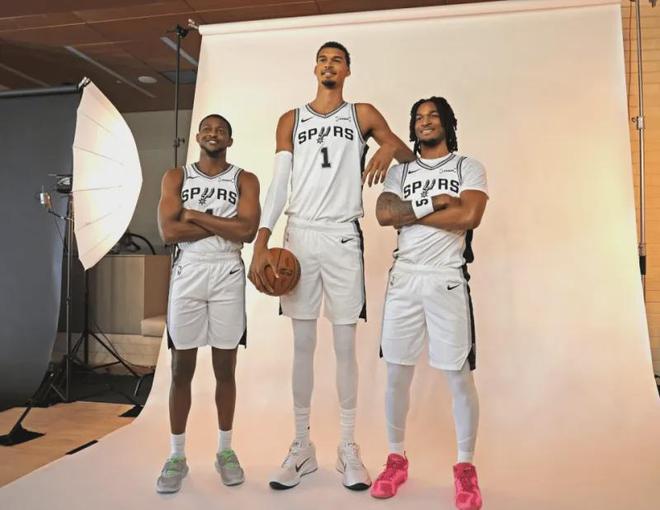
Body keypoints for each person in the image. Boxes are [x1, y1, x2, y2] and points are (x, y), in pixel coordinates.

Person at [249, 41, 414, 491]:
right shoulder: (291, 119)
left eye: (336, 60)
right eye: (322, 59)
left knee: (344, 345)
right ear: (314, 68)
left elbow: (408, 159)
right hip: (300, 235)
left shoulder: (362, 114)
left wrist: (388, 145)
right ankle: (301, 446)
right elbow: (280, 183)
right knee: (303, 344)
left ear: (347, 71)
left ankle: (347, 447)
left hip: (343, 234)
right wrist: (262, 239)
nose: (328, 65)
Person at [370, 96, 488, 510]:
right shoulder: (401, 170)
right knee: (396, 374)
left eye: (433, 116)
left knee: (458, 376)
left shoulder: (466, 166)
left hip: (446, 280)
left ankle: (465, 468)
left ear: (448, 123)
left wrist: (410, 213)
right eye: (418, 117)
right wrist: (435, 202)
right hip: (404, 279)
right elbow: (384, 213)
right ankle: (396, 460)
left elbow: (468, 217)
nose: (425, 122)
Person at [155, 114, 260, 493]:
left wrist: (196, 216)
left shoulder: (244, 179)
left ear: (230, 140)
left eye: (221, 130)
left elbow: (247, 230)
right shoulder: (176, 176)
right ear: (198, 137)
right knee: (180, 368)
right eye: (208, 129)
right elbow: (169, 231)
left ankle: (225, 451)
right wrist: (223, 223)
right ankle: (176, 456)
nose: (214, 134)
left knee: (225, 368)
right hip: (189, 271)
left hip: (227, 272)